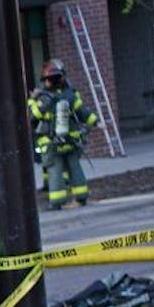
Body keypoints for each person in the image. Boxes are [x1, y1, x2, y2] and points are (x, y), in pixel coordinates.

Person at [28, 59, 99, 209]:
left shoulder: (44, 98)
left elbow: (33, 116)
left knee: (55, 171)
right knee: (75, 167)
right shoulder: (71, 95)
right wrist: (96, 122)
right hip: (70, 141)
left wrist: (32, 101)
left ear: (47, 81)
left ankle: (57, 202)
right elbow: (83, 112)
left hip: (51, 143)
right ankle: (82, 196)